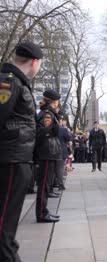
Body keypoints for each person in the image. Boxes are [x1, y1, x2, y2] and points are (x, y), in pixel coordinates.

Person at [0, 41, 43, 262]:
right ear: (34, 62)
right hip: (10, 160)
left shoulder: (17, 82)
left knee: (9, 218)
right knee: (5, 219)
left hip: (17, 158)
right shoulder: (9, 82)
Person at [35, 89, 62, 223]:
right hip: (46, 152)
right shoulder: (47, 114)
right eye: (58, 101)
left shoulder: (49, 113)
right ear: (54, 101)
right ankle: (41, 213)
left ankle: (44, 211)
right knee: (44, 184)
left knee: (46, 184)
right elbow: (42, 132)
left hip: (48, 152)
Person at [57, 114, 72, 191]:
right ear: (60, 121)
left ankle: (52, 185)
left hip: (51, 151)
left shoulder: (50, 128)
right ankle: (60, 185)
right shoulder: (63, 129)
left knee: (52, 169)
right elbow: (68, 139)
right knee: (60, 168)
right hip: (61, 151)